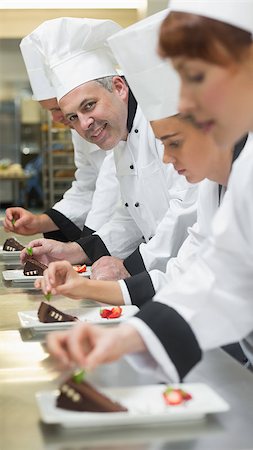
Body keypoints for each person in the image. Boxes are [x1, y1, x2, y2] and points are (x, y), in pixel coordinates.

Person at [46, 2, 253, 381]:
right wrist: (131, 335)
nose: (187, 101)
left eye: (196, 78)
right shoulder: (228, 175)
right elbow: (211, 274)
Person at [19, 16, 198, 278]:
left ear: (119, 87)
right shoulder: (119, 136)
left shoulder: (159, 126)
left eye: (89, 105)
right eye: (72, 118)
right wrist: (73, 250)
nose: (84, 124)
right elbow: (130, 214)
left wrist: (131, 265)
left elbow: (186, 209)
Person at [3, 24, 120, 243]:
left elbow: (114, 189)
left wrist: (87, 248)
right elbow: (87, 187)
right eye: (52, 112)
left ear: (119, 88)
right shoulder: (82, 127)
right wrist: (40, 222)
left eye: (58, 110)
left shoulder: (141, 126)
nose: (58, 119)